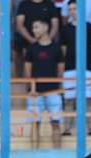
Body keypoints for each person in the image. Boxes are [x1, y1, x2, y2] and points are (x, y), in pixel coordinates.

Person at [24, 17, 64, 148]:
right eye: (33, 28)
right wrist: (31, 88)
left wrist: (58, 87)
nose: (33, 30)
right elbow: (28, 71)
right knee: (35, 123)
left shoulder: (56, 48)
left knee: (56, 123)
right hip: (36, 92)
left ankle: (58, 153)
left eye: (36, 27)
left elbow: (60, 70)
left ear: (46, 27)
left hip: (53, 91)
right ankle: (33, 153)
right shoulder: (31, 48)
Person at [60, 0, 91, 135]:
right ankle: (67, 129)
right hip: (70, 68)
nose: (72, 11)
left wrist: (90, 65)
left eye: (75, 8)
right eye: (70, 9)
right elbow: (64, 49)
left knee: (88, 99)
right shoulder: (65, 29)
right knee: (69, 100)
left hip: (86, 68)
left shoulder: (90, 27)